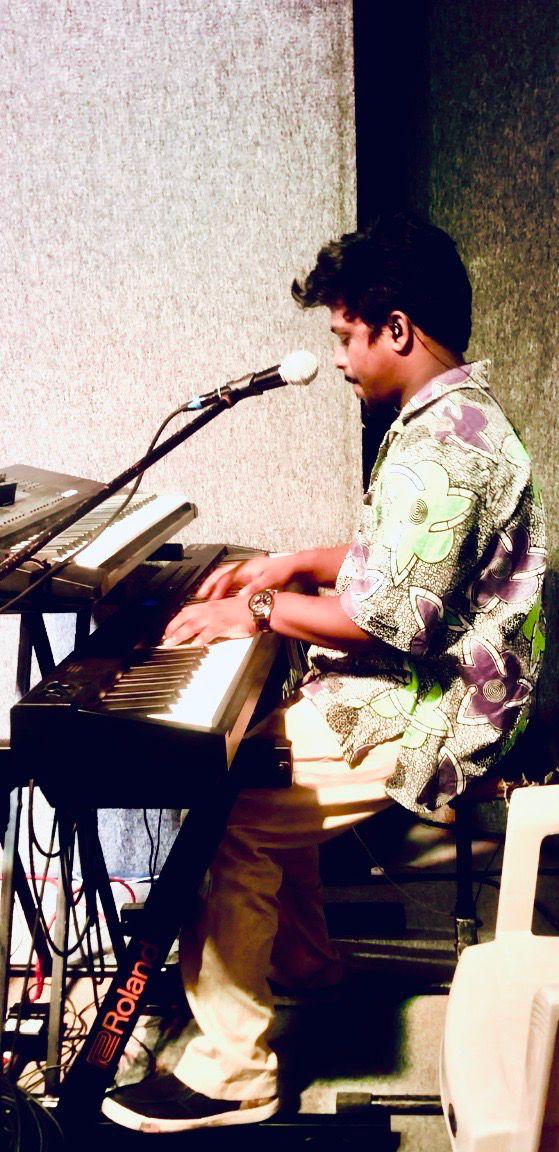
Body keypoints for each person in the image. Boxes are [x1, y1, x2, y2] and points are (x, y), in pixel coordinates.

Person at [101, 213, 546, 1133]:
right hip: (437, 682)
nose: (339, 357)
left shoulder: (445, 446)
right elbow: (401, 562)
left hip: (443, 707)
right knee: (263, 758)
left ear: (396, 329)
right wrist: (294, 564)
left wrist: (260, 609)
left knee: (229, 807)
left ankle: (233, 1074)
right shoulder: (449, 418)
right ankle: (303, 968)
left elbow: (397, 620)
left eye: (346, 335)